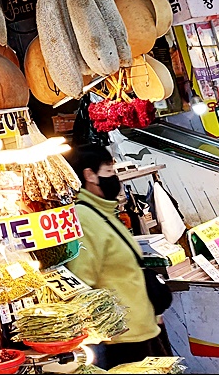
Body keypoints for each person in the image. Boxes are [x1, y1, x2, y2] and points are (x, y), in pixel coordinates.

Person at [67, 143, 165, 369]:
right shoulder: (84, 217)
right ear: (90, 175)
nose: (115, 178)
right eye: (109, 171)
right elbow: (82, 282)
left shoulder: (105, 212)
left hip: (143, 329)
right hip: (121, 339)